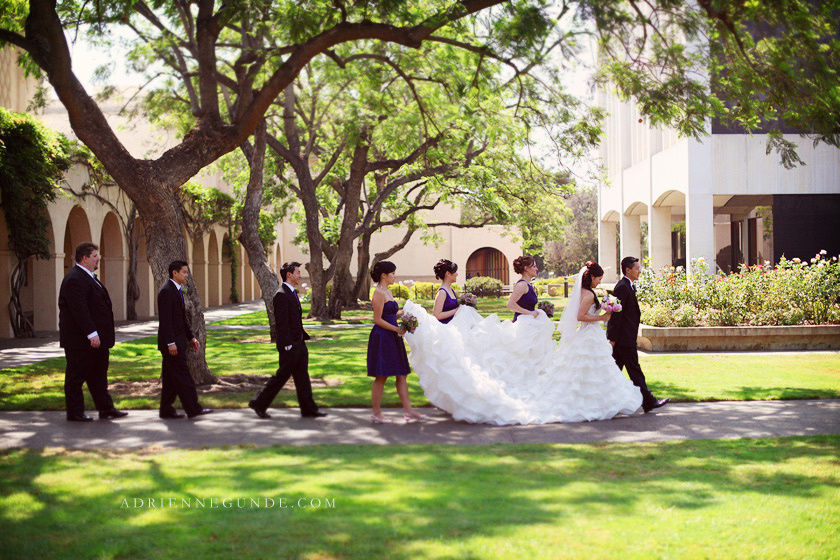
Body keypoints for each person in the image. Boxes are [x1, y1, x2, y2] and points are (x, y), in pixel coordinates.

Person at [552, 261, 642, 421]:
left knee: (600, 368)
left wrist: (607, 306)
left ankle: (602, 401)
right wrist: (601, 317)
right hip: (589, 334)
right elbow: (580, 316)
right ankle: (594, 403)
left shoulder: (586, 291)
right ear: (592, 277)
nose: (600, 281)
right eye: (599, 278)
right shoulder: (588, 294)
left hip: (593, 333)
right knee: (593, 367)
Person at [58, 242, 127, 421]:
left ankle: (106, 409)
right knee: (76, 377)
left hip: (96, 340)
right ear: (85, 258)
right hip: (81, 341)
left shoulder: (88, 277)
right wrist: (91, 333)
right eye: (95, 256)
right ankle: (75, 413)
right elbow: (79, 309)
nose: (98, 259)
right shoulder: (74, 278)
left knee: (98, 376)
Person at [248, 262, 327, 419]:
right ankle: (259, 403)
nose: (300, 275)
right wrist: (288, 345)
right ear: (289, 275)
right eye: (298, 272)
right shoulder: (281, 295)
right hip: (290, 346)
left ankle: (308, 409)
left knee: (302, 377)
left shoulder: (291, 293)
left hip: (299, 344)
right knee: (281, 376)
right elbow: (281, 324)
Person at [606, 256, 670, 413]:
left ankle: (604, 402)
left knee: (614, 373)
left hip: (625, 338)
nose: (639, 271)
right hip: (623, 340)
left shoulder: (628, 286)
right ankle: (649, 402)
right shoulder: (622, 287)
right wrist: (612, 339)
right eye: (637, 268)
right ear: (628, 270)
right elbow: (616, 315)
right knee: (634, 371)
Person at [367, 261, 426, 423]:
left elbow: (391, 315)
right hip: (383, 337)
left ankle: (408, 410)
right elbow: (377, 319)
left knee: (401, 374)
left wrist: (408, 313)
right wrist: (396, 330)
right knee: (382, 376)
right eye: (392, 273)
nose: (395, 276)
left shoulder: (388, 292)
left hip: (393, 336)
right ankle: (376, 413)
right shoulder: (378, 293)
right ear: (383, 275)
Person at [157, 260, 212, 419]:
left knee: (170, 379)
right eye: (185, 272)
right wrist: (170, 343)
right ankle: (193, 408)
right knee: (183, 376)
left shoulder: (178, 290)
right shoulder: (167, 291)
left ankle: (166, 410)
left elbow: (182, 318)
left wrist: (191, 337)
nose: (187, 275)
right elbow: (166, 320)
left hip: (179, 341)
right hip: (172, 344)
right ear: (175, 273)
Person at [506, 255, 540, 321]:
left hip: (528, 321)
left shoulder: (527, 285)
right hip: (521, 323)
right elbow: (510, 304)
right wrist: (530, 313)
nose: (537, 269)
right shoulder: (522, 285)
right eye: (534, 266)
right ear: (526, 268)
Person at [432, 259, 459, 324]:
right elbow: (437, 315)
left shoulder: (451, 290)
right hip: (445, 328)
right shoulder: (442, 292)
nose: (457, 274)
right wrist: (456, 310)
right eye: (455, 272)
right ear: (448, 274)